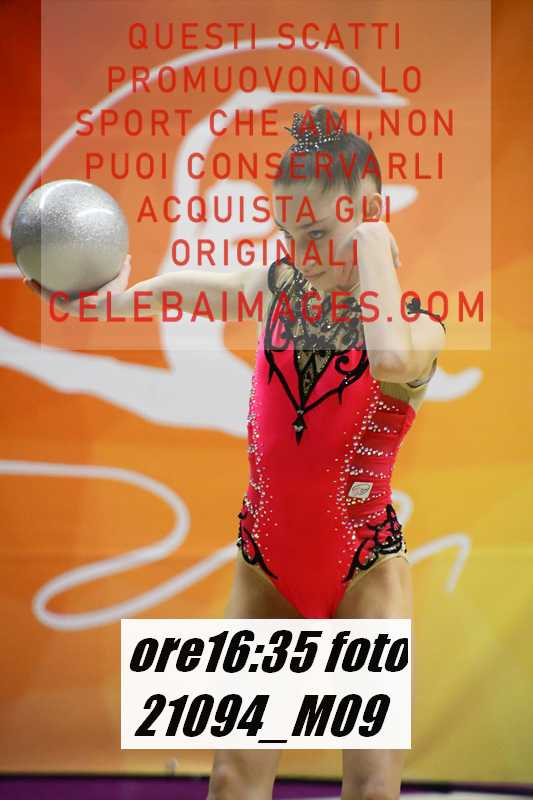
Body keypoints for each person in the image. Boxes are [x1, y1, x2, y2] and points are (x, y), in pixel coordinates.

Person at [26, 105, 446, 799]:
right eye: (287, 233)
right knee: (231, 780)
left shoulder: (419, 329)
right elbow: (197, 292)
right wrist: (111, 305)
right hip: (266, 569)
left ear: (370, 213)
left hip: (364, 572)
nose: (300, 254)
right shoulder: (278, 289)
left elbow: (390, 357)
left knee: (372, 788)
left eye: (318, 233)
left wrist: (373, 244)